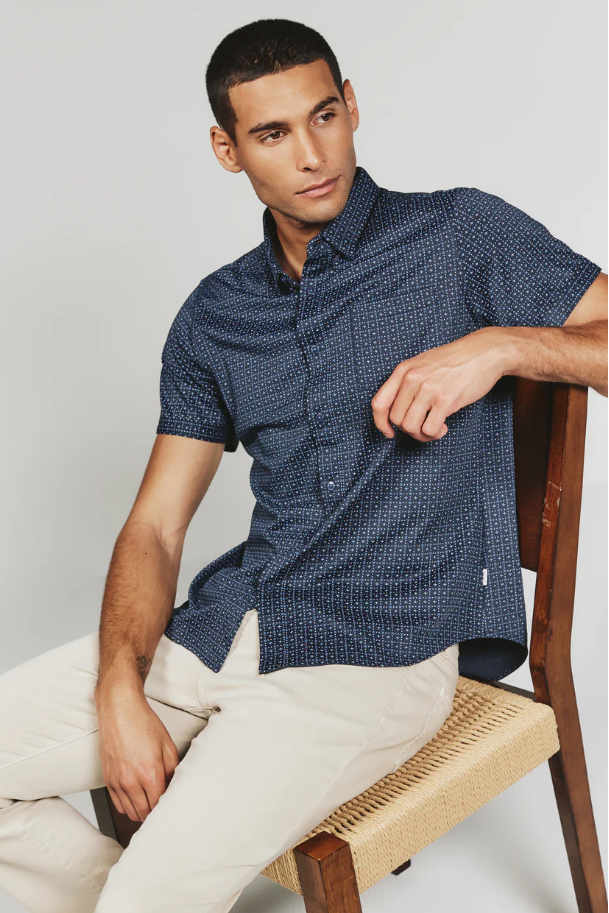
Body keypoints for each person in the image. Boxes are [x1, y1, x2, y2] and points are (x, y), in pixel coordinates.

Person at [0, 16, 607, 913]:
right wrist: (119, 685)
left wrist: (501, 346)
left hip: (373, 660)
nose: (312, 154)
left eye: (323, 115)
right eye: (273, 133)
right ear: (228, 149)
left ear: (350, 105)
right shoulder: (215, 316)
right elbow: (156, 526)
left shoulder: (459, 234)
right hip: (222, 629)